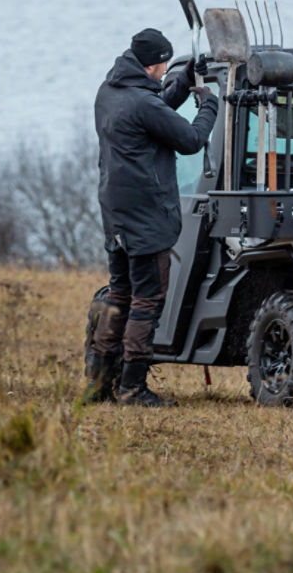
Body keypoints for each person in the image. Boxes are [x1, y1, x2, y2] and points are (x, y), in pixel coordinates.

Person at [84, 27, 218, 407]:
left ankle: (98, 384)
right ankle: (132, 388)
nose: (164, 69)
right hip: (146, 216)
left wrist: (182, 82)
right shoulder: (143, 103)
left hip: (116, 213)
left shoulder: (109, 92)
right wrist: (209, 106)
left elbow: (154, 113)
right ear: (152, 64)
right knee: (146, 301)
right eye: (164, 64)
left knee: (119, 294)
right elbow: (189, 139)